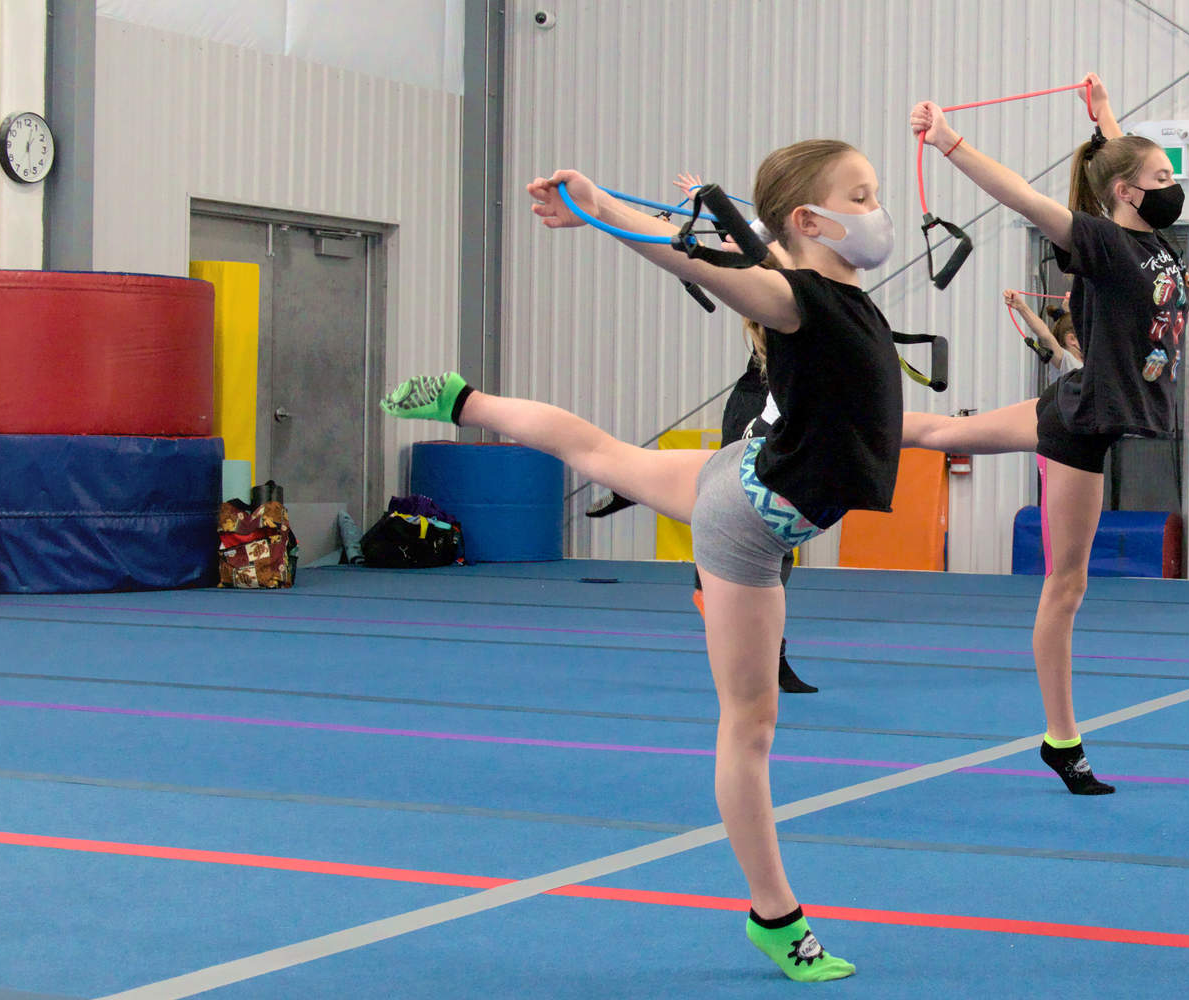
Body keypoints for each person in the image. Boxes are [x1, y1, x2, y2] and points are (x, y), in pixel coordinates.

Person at [379, 138, 905, 981]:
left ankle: (462, 399)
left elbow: (725, 244)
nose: (881, 209)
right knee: (751, 727)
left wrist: (624, 203)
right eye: (865, 193)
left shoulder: (828, 289)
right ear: (812, 219)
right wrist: (597, 208)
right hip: (747, 523)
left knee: (597, 450)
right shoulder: (792, 295)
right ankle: (776, 917)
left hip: (747, 467)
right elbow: (684, 258)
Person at [904, 72, 1189, 796]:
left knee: (940, 431)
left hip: (1079, 402)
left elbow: (1120, 162)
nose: (1171, 184)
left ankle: (830, 420)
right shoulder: (1099, 241)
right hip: (1082, 422)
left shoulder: (1151, 237)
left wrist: (1105, 120)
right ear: (1128, 192)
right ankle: (1061, 740)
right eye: (1161, 176)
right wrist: (951, 144)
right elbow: (1022, 197)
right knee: (1066, 584)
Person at [589, 174, 817, 693]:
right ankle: (761, 652)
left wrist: (704, 214)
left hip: (785, 402)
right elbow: (735, 246)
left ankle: (644, 487)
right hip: (760, 402)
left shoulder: (804, 263)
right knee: (747, 521)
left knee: (772, 535)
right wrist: (696, 212)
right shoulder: (781, 264)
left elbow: (737, 240)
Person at [1006, 288, 1081, 377]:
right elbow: (1045, 334)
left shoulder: (1084, 364)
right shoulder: (1070, 364)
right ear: (1072, 339)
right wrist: (1021, 306)